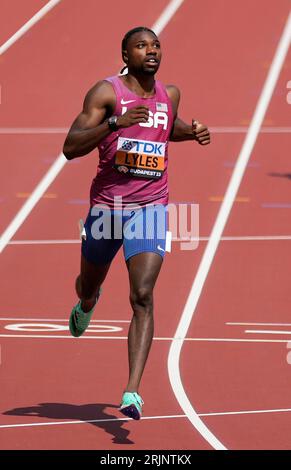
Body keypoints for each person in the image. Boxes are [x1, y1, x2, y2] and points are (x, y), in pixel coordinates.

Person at [63, 26, 210, 421]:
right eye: (142, 46)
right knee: (89, 282)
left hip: (151, 207)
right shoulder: (106, 94)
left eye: (156, 45)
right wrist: (114, 124)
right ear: (125, 54)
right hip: (107, 209)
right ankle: (88, 302)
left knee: (142, 295)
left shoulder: (170, 95)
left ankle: (132, 391)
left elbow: (165, 128)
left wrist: (191, 131)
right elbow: (70, 146)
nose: (152, 51)